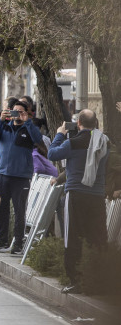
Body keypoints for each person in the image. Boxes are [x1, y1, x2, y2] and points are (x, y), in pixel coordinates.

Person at [48, 110, 109, 294]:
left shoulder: (72, 142)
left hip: (76, 194)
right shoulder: (104, 141)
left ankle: (75, 280)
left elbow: (52, 154)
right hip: (97, 195)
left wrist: (60, 134)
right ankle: (99, 280)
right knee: (97, 236)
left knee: (72, 236)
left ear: (79, 123)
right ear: (96, 123)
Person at [0, 100, 42, 254]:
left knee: (19, 211)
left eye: (20, 111)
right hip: (2, 174)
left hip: (21, 176)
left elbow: (38, 139)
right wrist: (0, 120)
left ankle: (18, 243)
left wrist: (28, 122)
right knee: (1, 208)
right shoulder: (4, 127)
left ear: (26, 112)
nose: (17, 114)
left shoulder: (29, 128)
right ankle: (2, 242)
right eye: (14, 111)